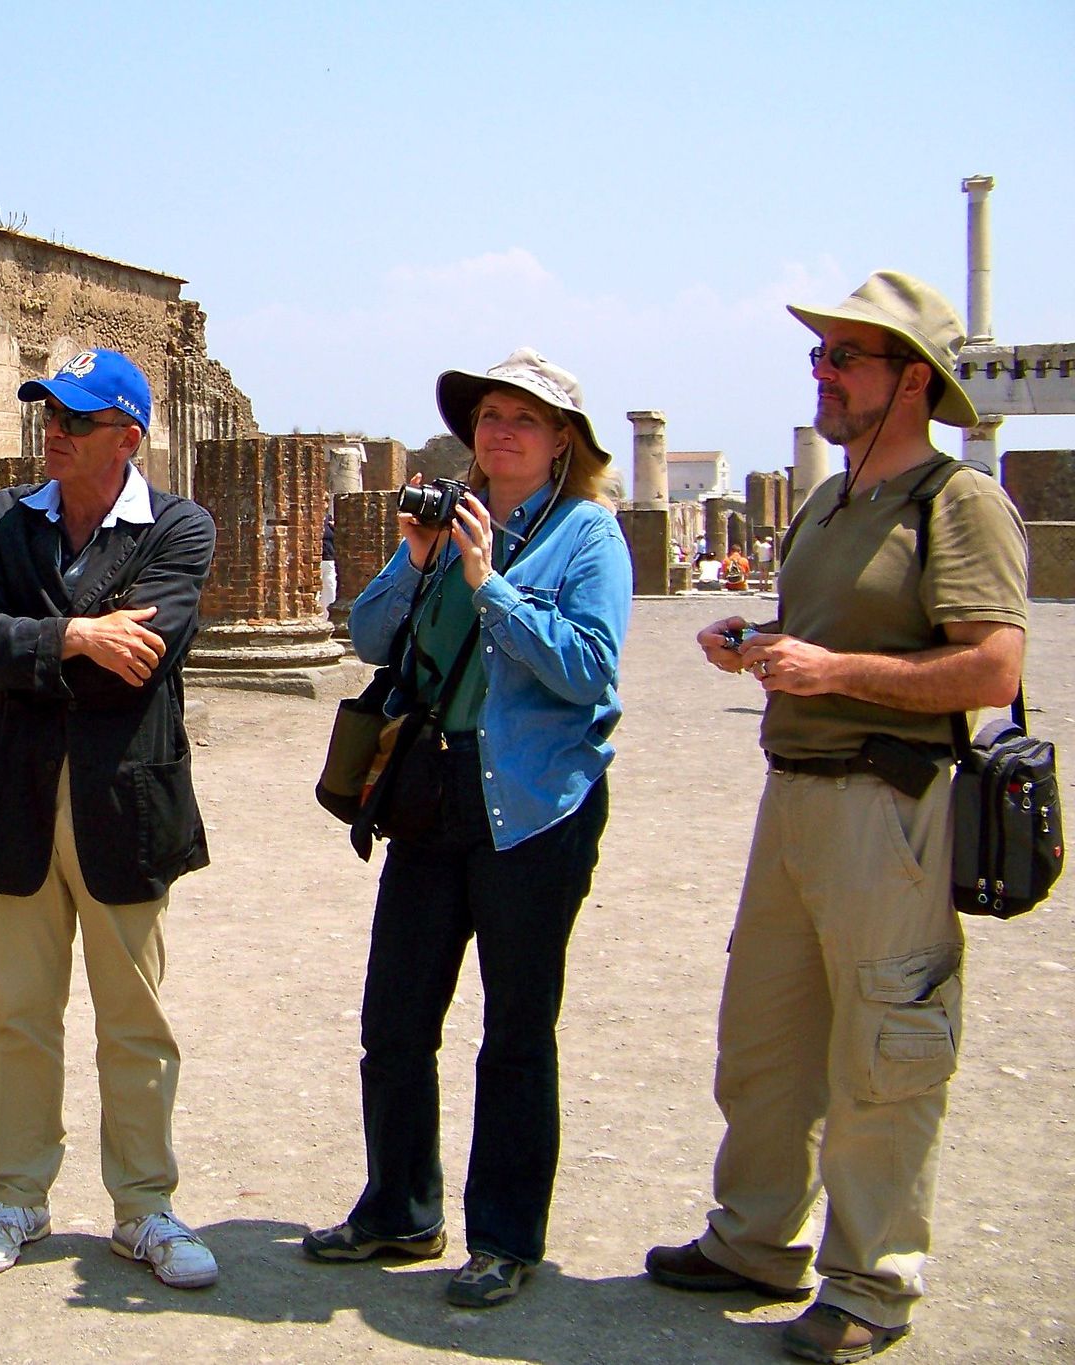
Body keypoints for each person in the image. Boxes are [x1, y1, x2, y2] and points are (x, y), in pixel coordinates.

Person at [647, 272, 1027, 1364]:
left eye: (844, 359)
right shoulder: (830, 500)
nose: (821, 373)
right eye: (818, 357)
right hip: (795, 798)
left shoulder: (956, 505)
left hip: (889, 805)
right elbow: (817, 637)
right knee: (764, 1042)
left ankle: (869, 1280)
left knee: (881, 1049)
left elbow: (991, 666)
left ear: (912, 382)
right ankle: (756, 1240)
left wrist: (829, 669)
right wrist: (758, 643)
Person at [307, 349, 630, 1309]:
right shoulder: (450, 525)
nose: (501, 433)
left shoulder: (590, 537)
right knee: (395, 1016)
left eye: (524, 419)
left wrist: (492, 585)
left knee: (517, 1029)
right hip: (432, 798)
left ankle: (503, 1235)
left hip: (536, 809)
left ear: (563, 440)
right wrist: (416, 559)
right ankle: (399, 1205)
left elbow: (588, 670)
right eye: (490, 416)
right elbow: (369, 639)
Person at [0, 348, 220, 1289]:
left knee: (136, 1014)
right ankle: (17, 1193)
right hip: (18, 796)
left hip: (124, 798)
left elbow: (153, 642)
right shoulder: (1, 520)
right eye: (47, 417)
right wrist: (72, 635)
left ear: (127, 437)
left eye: (73, 420)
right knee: (19, 1011)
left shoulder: (178, 527)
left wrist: (43, 645)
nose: (50, 433)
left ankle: (144, 1206)